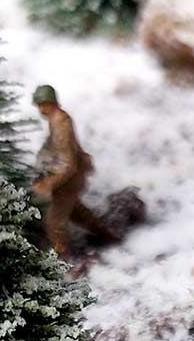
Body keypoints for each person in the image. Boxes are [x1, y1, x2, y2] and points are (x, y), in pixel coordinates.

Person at [32, 84, 145, 259]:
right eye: (38, 105)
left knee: (54, 223)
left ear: (52, 103)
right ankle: (110, 234)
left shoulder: (61, 125)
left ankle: (65, 261)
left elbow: (67, 163)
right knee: (79, 214)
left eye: (43, 104)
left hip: (69, 179)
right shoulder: (56, 121)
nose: (40, 109)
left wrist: (48, 182)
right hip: (70, 177)